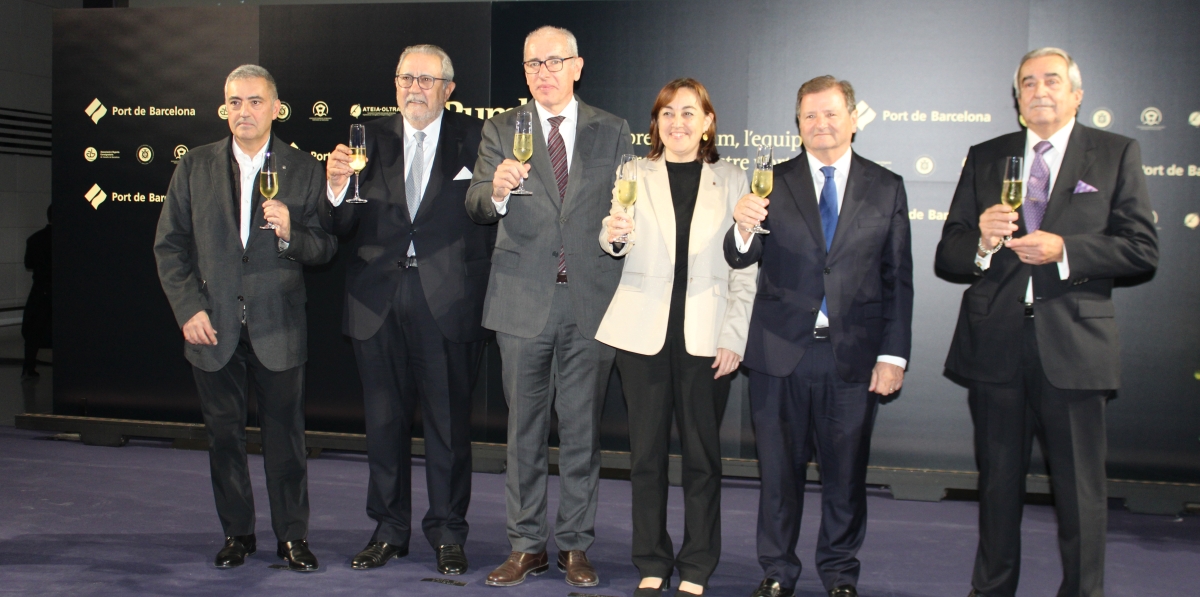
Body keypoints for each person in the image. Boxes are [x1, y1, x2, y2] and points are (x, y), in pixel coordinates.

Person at [935, 48, 1157, 597]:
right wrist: (982, 243)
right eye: (1027, 82)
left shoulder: (1113, 153)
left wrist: (1066, 251)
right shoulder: (986, 156)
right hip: (995, 346)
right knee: (997, 489)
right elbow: (949, 253)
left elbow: (1141, 249)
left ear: (1076, 94)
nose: (1039, 90)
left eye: (1051, 81)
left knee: (1082, 494)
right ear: (1016, 100)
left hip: (1075, 346)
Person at [725, 75, 913, 597]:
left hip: (851, 356)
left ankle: (839, 574)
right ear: (798, 124)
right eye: (809, 116)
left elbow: (898, 279)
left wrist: (893, 355)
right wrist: (740, 228)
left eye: (831, 114)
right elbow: (740, 257)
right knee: (778, 477)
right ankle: (777, 572)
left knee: (846, 476)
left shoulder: (886, 185)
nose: (821, 124)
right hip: (778, 352)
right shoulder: (769, 181)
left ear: (853, 119)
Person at [466, 25, 632, 589]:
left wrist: (622, 233)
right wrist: (497, 190)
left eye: (553, 61)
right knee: (525, 434)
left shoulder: (612, 129)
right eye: (532, 63)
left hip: (591, 302)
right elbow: (475, 203)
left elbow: (626, 209)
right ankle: (525, 545)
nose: (542, 72)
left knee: (583, 434)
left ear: (577, 66)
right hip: (521, 304)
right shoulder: (501, 127)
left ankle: (575, 548)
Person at [154, 64, 336, 572]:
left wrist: (289, 236)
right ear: (224, 108)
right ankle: (237, 533)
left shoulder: (303, 169)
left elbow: (324, 245)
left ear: (276, 108)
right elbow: (169, 246)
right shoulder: (194, 166)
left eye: (255, 101)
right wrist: (188, 307)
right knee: (224, 438)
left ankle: (291, 537)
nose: (244, 112)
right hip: (212, 328)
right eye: (234, 102)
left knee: (286, 442)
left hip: (279, 326)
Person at [322, 44, 493, 575]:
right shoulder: (363, 140)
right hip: (377, 301)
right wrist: (334, 190)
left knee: (448, 426)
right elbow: (341, 228)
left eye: (426, 79)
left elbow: (491, 215)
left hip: (447, 302)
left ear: (449, 88)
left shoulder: (477, 139)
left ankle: (447, 532)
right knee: (384, 423)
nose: (414, 87)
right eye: (405, 78)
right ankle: (388, 530)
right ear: (395, 84)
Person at [596, 78, 757, 597]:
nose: (678, 123)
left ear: (708, 122)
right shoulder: (633, 173)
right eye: (667, 113)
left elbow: (746, 268)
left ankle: (697, 565)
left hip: (707, 337)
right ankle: (651, 560)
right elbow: (612, 233)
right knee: (644, 457)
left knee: (703, 460)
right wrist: (612, 236)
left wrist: (735, 334)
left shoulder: (734, 180)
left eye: (689, 113)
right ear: (656, 122)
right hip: (641, 334)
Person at [21, 205, 52, 380]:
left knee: (33, 330)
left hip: (40, 289)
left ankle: (28, 366)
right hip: (58, 289)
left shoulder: (35, 239)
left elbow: (29, 264)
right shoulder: (67, 240)